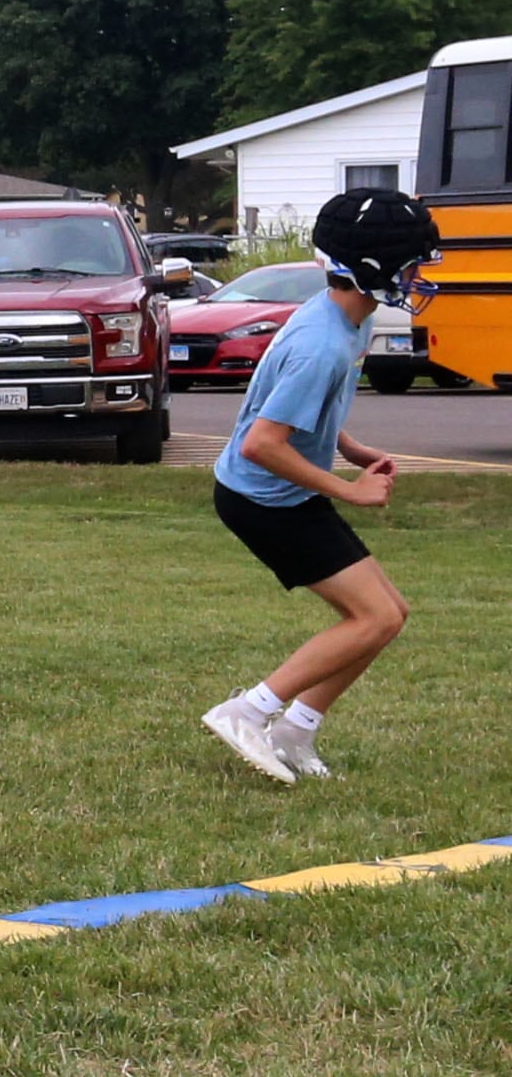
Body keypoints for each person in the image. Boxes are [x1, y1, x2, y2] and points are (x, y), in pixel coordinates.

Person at [198, 188, 440, 783]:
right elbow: (262, 443)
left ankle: (296, 728)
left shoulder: (343, 317)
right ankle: (246, 712)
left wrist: (350, 447)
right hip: (263, 500)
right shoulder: (324, 343)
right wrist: (348, 488)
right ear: (375, 270)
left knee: (388, 613)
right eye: (410, 265)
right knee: (374, 618)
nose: (416, 278)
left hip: (279, 493)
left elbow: (302, 412)